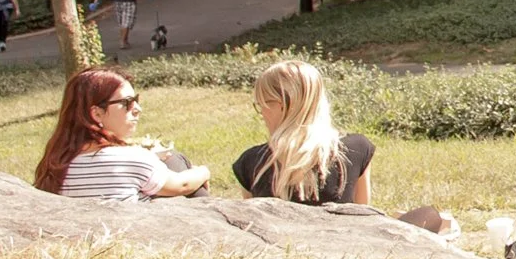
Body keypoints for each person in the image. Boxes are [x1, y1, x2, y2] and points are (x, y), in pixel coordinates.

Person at [34, 69, 210, 201]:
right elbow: (183, 185)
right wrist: (203, 171)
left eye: (136, 101)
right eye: (127, 103)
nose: (137, 109)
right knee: (177, 161)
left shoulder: (55, 160)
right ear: (96, 114)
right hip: (135, 240)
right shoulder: (130, 158)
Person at [233, 60, 376, 204]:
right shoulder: (357, 149)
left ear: (281, 105)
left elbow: (251, 220)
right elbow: (364, 216)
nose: (262, 113)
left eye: (262, 104)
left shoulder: (251, 162)